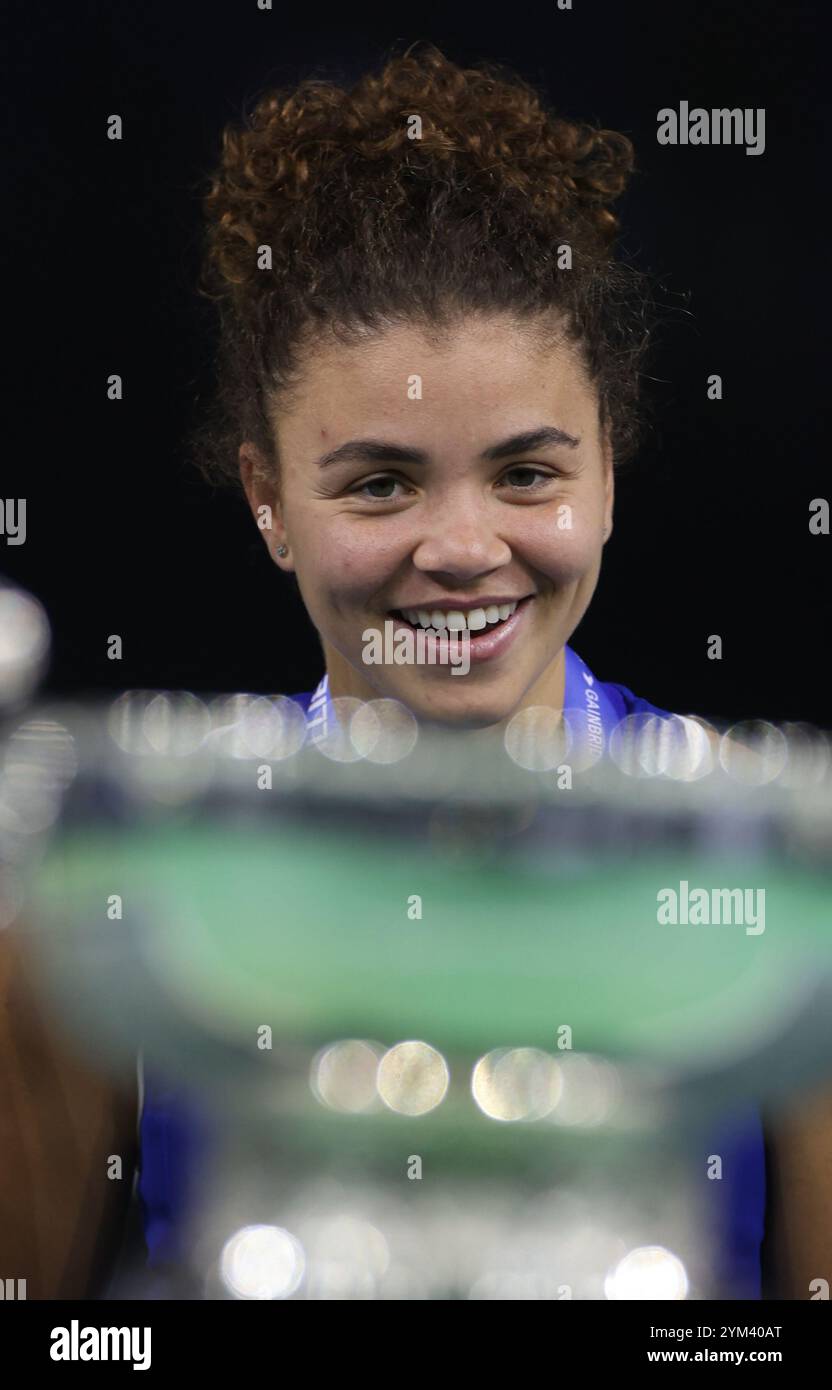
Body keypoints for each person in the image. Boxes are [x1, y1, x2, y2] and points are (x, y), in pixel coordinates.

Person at [2, 41, 829, 1300]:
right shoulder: (129, 887)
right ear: (268, 499)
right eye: (381, 482)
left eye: (526, 473)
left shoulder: (774, 876)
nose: (460, 550)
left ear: (609, 469)